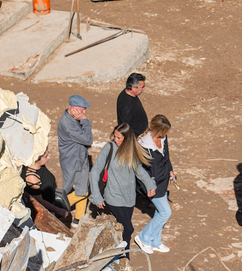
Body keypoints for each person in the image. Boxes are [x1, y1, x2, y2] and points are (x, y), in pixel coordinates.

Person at [89, 123, 156, 247]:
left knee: (122, 230)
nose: (115, 140)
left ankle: (122, 258)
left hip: (129, 198)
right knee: (128, 228)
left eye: (119, 137)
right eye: (115, 136)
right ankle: (123, 256)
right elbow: (95, 171)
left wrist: (150, 185)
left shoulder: (132, 150)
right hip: (113, 196)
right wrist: (96, 196)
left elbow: (139, 170)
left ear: (127, 138)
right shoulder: (109, 148)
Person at [135, 115, 176, 254]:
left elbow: (166, 157)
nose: (165, 135)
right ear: (156, 129)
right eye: (163, 132)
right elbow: (140, 170)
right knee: (165, 213)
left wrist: (170, 171)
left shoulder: (163, 138)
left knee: (160, 212)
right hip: (152, 183)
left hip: (163, 180)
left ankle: (155, 242)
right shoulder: (143, 145)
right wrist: (149, 186)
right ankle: (143, 238)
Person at [58, 95, 93, 223]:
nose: (84, 112)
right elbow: (88, 140)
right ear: (72, 108)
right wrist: (84, 120)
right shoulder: (68, 124)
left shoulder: (70, 119)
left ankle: (78, 219)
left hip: (77, 160)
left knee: (81, 188)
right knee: (82, 192)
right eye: (82, 109)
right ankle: (58, 207)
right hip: (74, 162)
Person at [21, 147, 70, 221]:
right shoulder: (31, 177)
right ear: (36, 159)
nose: (49, 157)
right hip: (44, 211)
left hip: (50, 204)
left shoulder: (39, 166)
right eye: (46, 156)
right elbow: (39, 201)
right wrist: (58, 210)